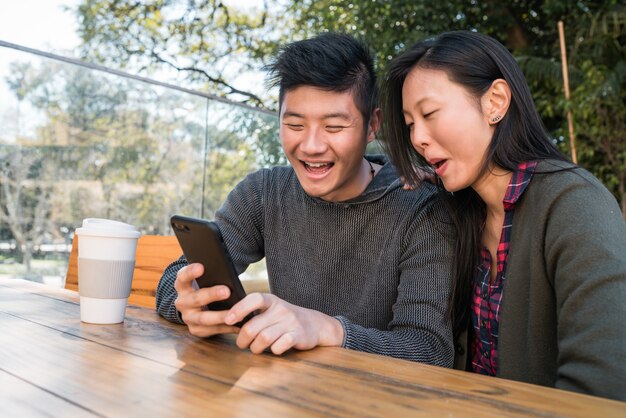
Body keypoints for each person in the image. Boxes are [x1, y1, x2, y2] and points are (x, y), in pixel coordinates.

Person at [156, 32, 455, 366]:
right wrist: (189, 303)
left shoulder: (421, 208)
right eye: (295, 124)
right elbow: (173, 281)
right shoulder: (263, 194)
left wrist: (329, 330)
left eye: (334, 127)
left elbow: (428, 349)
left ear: (372, 125)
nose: (311, 146)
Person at [381, 30, 626, 401]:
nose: (417, 138)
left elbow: (603, 384)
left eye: (429, 113)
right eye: (411, 123)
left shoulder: (574, 204)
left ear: (495, 101)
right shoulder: (461, 213)